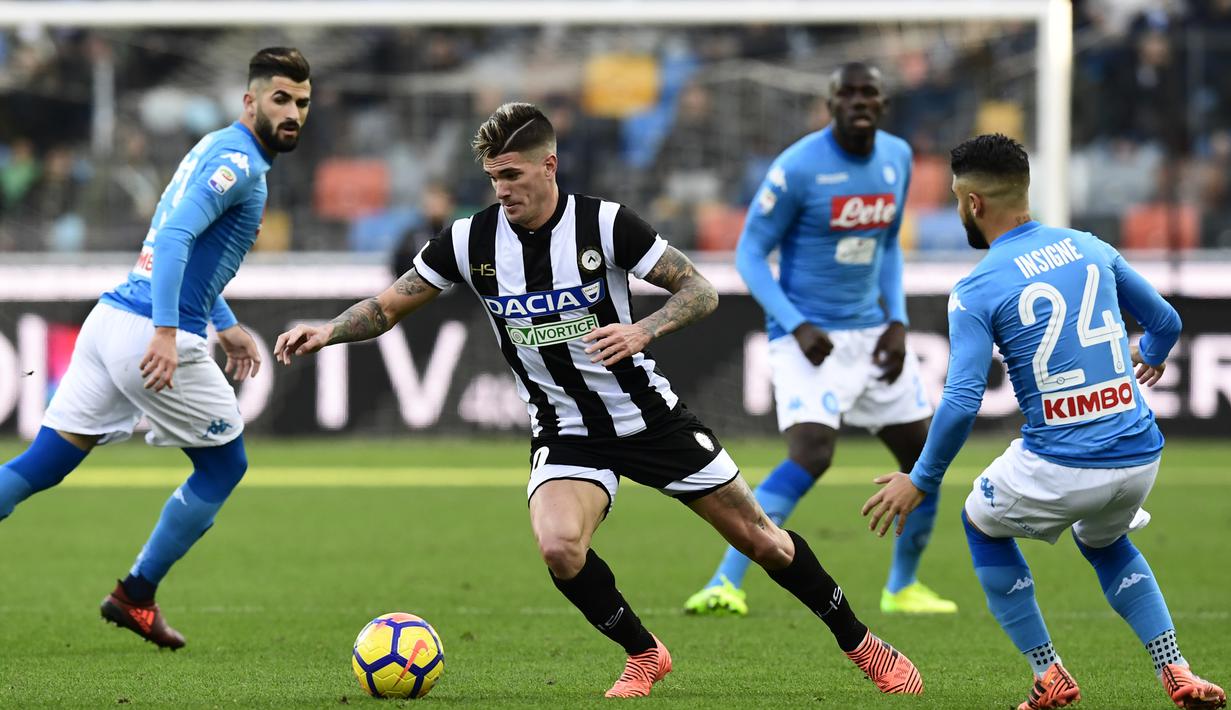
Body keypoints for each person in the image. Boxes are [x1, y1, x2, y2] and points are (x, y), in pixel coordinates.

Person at [274, 102, 923, 700]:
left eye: (512, 174)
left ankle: (861, 644)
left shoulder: (604, 224)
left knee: (762, 542)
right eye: (492, 176)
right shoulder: (470, 240)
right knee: (558, 546)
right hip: (564, 427)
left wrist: (644, 328)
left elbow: (699, 291)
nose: (502, 189)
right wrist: (328, 330)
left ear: (548, 165)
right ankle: (643, 653)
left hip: (648, 418)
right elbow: (390, 304)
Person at [862, 134, 1226, 710]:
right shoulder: (1090, 246)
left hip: (1063, 464)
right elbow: (1167, 320)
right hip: (1140, 455)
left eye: (959, 198)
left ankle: (1048, 673)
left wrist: (922, 479)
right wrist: (1151, 356)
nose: (959, 209)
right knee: (1105, 540)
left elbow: (961, 399)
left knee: (981, 522)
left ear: (973, 203)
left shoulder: (978, 287)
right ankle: (1175, 669)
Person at [0, 47, 312, 650]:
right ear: (250, 101)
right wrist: (169, 333)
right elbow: (172, 237)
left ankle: (134, 596)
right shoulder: (239, 163)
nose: (292, 111)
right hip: (148, 330)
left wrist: (221, 321)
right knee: (225, 465)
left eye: (301, 101)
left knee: (40, 466)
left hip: (109, 320)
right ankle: (135, 595)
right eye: (280, 99)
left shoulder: (216, 146)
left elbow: (191, 249)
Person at [684, 62, 955, 617]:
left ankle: (902, 587)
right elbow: (750, 256)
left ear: (882, 104)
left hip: (872, 333)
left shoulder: (897, 158)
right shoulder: (797, 168)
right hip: (805, 337)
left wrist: (897, 321)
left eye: (869, 94)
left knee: (923, 455)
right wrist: (797, 322)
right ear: (830, 104)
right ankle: (725, 582)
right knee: (812, 454)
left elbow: (885, 247)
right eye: (848, 94)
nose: (859, 102)